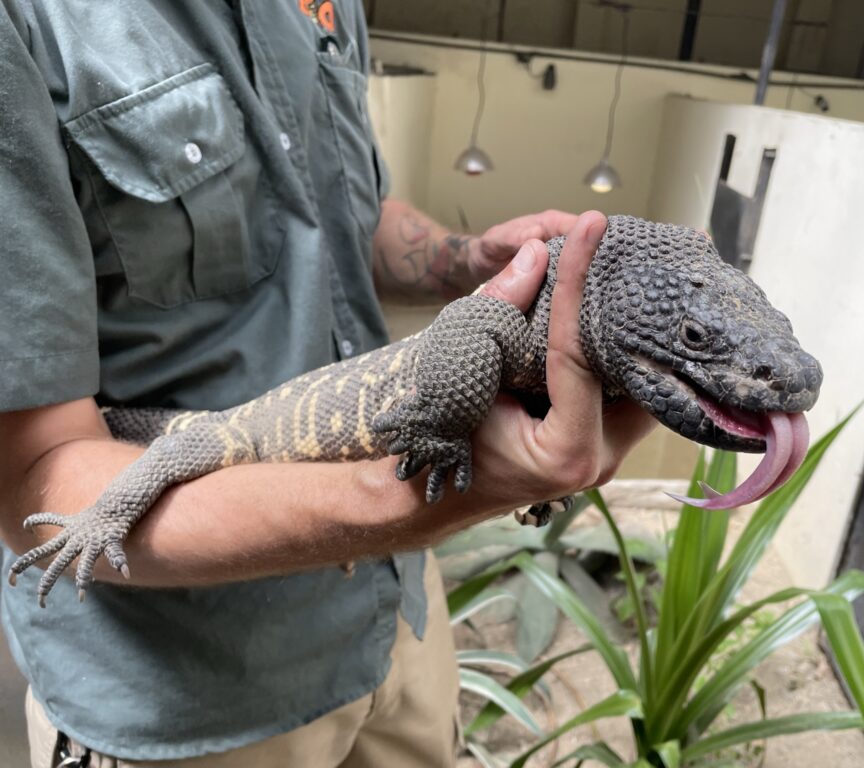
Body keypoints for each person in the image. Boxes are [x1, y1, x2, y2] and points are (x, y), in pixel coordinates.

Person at [0, 1, 654, 766]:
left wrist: (462, 259)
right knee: (179, 454)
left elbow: (340, 214)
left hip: (393, 615)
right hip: (199, 682)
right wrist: (454, 494)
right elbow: (36, 488)